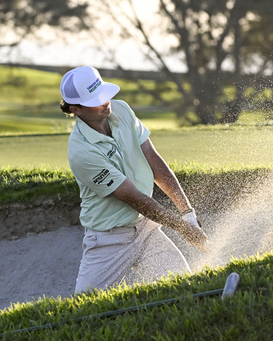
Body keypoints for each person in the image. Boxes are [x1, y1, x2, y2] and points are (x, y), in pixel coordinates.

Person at [59, 66, 208, 293]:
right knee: (85, 309)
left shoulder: (121, 110)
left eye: (104, 93)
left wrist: (187, 213)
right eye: (95, 100)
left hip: (146, 230)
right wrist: (182, 228)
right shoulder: (82, 152)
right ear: (75, 109)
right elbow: (135, 198)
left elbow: (155, 162)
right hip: (109, 241)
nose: (106, 101)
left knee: (182, 289)